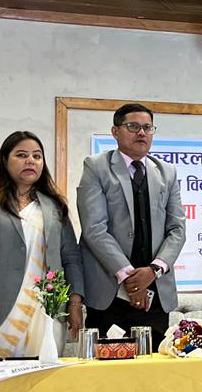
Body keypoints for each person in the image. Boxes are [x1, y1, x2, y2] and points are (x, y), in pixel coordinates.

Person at [0, 131, 85, 357]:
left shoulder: (54, 207)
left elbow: (71, 258)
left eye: (37, 156)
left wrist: (75, 304)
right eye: (22, 155)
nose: (30, 161)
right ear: (5, 160)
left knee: (44, 375)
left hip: (46, 311)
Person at [77, 103, 186, 345]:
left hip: (155, 294)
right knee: (108, 366)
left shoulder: (167, 172)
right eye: (133, 126)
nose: (142, 133)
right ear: (115, 132)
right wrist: (131, 279)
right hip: (109, 295)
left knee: (155, 366)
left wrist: (153, 271)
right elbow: (94, 228)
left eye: (148, 127)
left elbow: (177, 230)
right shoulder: (96, 167)